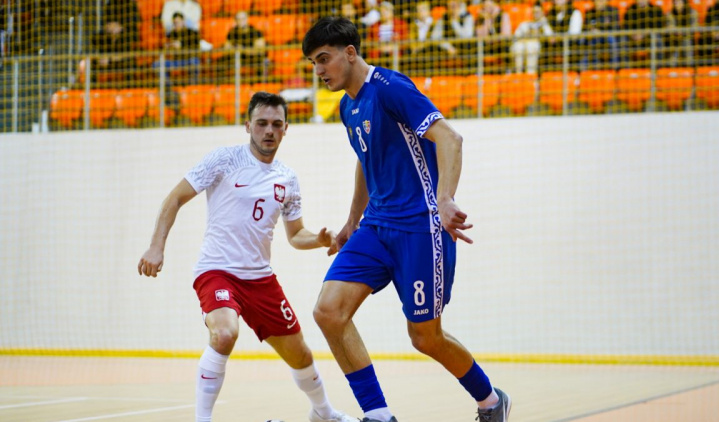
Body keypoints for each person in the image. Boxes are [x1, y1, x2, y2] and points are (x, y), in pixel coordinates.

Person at [302, 16, 512, 422]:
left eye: (323, 59)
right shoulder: (348, 107)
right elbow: (366, 162)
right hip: (376, 227)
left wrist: (445, 198)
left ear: (350, 53)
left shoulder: (391, 89)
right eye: (312, 63)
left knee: (424, 337)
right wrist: (351, 222)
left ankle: (490, 401)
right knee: (328, 312)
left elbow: (450, 138)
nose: (318, 71)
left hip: (421, 228)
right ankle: (379, 415)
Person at [137, 92, 358, 422]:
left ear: (286, 129)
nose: (268, 130)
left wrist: (319, 240)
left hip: (261, 279)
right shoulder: (224, 160)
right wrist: (157, 245)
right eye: (261, 123)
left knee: (300, 353)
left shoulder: (287, 178)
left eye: (276, 124)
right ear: (247, 126)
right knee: (225, 333)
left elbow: (296, 235)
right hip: (217, 272)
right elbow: (174, 198)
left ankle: (324, 413)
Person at [220, 10, 267, 77]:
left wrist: (243, 49)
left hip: (252, 58)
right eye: (238, 19)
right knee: (222, 61)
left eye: (242, 19)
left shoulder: (255, 32)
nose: (240, 21)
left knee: (260, 60)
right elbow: (226, 49)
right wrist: (235, 50)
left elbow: (260, 51)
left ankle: (259, 83)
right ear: (235, 21)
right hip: (237, 58)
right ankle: (224, 84)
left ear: (247, 19)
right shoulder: (232, 33)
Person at [511, 3, 553, 74]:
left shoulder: (545, 24)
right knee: (518, 47)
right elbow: (515, 38)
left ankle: (531, 75)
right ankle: (518, 74)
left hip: (537, 49)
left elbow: (551, 39)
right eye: (534, 12)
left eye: (538, 12)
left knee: (531, 46)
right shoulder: (525, 24)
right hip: (522, 46)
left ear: (542, 12)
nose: (535, 14)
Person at [581, 0, 620, 69]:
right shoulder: (589, 12)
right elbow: (586, 29)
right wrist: (592, 32)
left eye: (601, 1)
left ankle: (614, 69)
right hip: (594, 38)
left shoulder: (613, 11)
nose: (599, 2)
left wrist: (601, 32)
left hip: (608, 37)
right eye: (597, 1)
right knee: (590, 42)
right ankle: (593, 69)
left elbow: (616, 28)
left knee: (612, 40)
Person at [665, 0, 698, 67]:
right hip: (674, 38)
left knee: (686, 42)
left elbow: (695, 26)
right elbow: (669, 27)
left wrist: (684, 32)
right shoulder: (670, 14)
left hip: (688, 37)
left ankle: (689, 68)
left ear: (684, 3)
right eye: (675, 2)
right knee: (674, 44)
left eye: (679, 2)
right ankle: (671, 69)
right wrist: (676, 31)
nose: (677, 4)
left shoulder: (692, 12)